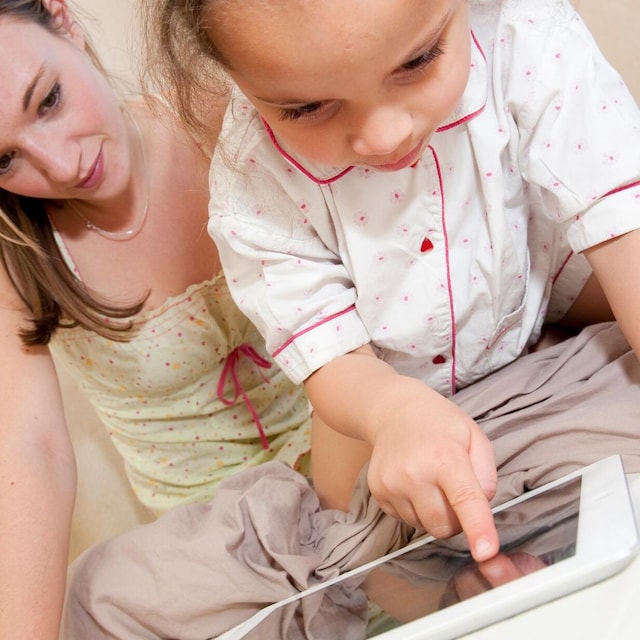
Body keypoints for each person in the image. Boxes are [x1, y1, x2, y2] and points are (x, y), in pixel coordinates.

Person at [145, 0, 640, 565]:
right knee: (349, 550)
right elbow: (326, 351)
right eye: (307, 107)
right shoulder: (253, 176)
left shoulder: (525, 35)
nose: (384, 136)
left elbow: (622, 224)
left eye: (419, 60)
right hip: (375, 369)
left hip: (535, 292)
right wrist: (391, 412)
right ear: (233, 77)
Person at [0, 1, 311, 638]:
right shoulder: (19, 256)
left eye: (49, 100)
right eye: (3, 161)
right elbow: (30, 448)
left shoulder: (223, 109)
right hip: (211, 548)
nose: (59, 165)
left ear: (64, 19)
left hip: (347, 453)